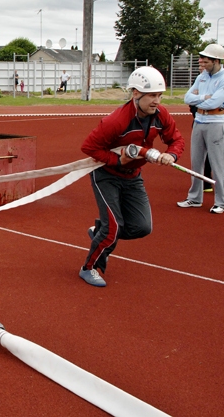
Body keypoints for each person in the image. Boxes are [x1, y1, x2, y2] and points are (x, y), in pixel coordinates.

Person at [79, 66, 184, 287]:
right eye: (152, 95)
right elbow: (89, 148)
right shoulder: (116, 121)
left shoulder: (161, 115)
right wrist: (117, 160)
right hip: (106, 176)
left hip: (133, 176)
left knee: (142, 227)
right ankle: (89, 268)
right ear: (136, 93)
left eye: (159, 95)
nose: (157, 100)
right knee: (113, 227)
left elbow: (176, 139)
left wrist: (172, 155)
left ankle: (100, 232)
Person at [177, 44, 224, 214]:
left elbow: (214, 103)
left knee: (218, 164)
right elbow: (187, 98)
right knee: (196, 162)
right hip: (199, 121)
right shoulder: (202, 76)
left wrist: (200, 100)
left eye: (205, 60)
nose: (201, 62)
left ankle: (220, 202)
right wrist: (203, 97)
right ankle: (195, 198)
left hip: (216, 122)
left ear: (216, 60)